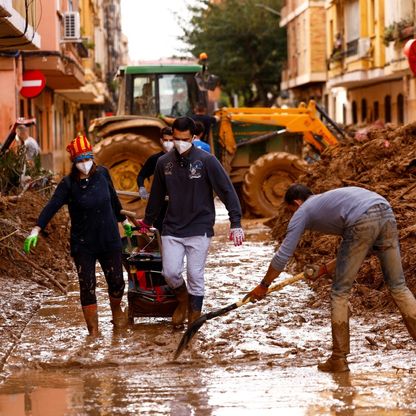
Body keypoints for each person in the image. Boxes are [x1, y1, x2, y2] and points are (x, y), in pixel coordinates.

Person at [248, 184, 416, 373]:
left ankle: (338, 358)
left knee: (339, 293)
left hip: (362, 219)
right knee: (399, 286)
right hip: (384, 211)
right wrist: (323, 270)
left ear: (296, 202)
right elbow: (360, 247)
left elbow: (283, 255)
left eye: (290, 210)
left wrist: (264, 285)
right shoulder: (330, 201)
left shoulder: (303, 211)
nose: (292, 215)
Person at [23, 134, 134, 337]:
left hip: (109, 238)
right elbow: (52, 206)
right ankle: (93, 333)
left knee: (117, 281)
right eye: (80, 160)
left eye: (87, 158)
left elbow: (113, 199)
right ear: (74, 162)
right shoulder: (68, 184)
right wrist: (36, 229)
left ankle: (116, 310)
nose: (85, 164)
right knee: (87, 286)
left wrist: (124, 221)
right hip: (83, 244)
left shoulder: (103, 174)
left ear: (92, 157)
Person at [138, 116, 244, 326]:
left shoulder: (206, 161)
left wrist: (236, 222)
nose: (179, 143)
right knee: (170, 273)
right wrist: (147, 221)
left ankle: (194, 318)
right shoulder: (163, 163)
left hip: (199, 227)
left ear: (194, 137)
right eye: (176, 138)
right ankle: (183, 299)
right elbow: (157, 195)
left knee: (195, 275)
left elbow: (226, 190)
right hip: (172, 227)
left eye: (184, 139)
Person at [136, 127, 174, 231]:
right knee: (161, 231)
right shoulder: (155, 159)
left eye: (171, 140)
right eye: (166, 140)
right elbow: (141, 175)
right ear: (161, 140)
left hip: (177, 203)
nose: (168, 143)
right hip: (160, 204)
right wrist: (141, 187)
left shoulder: (180, 158)